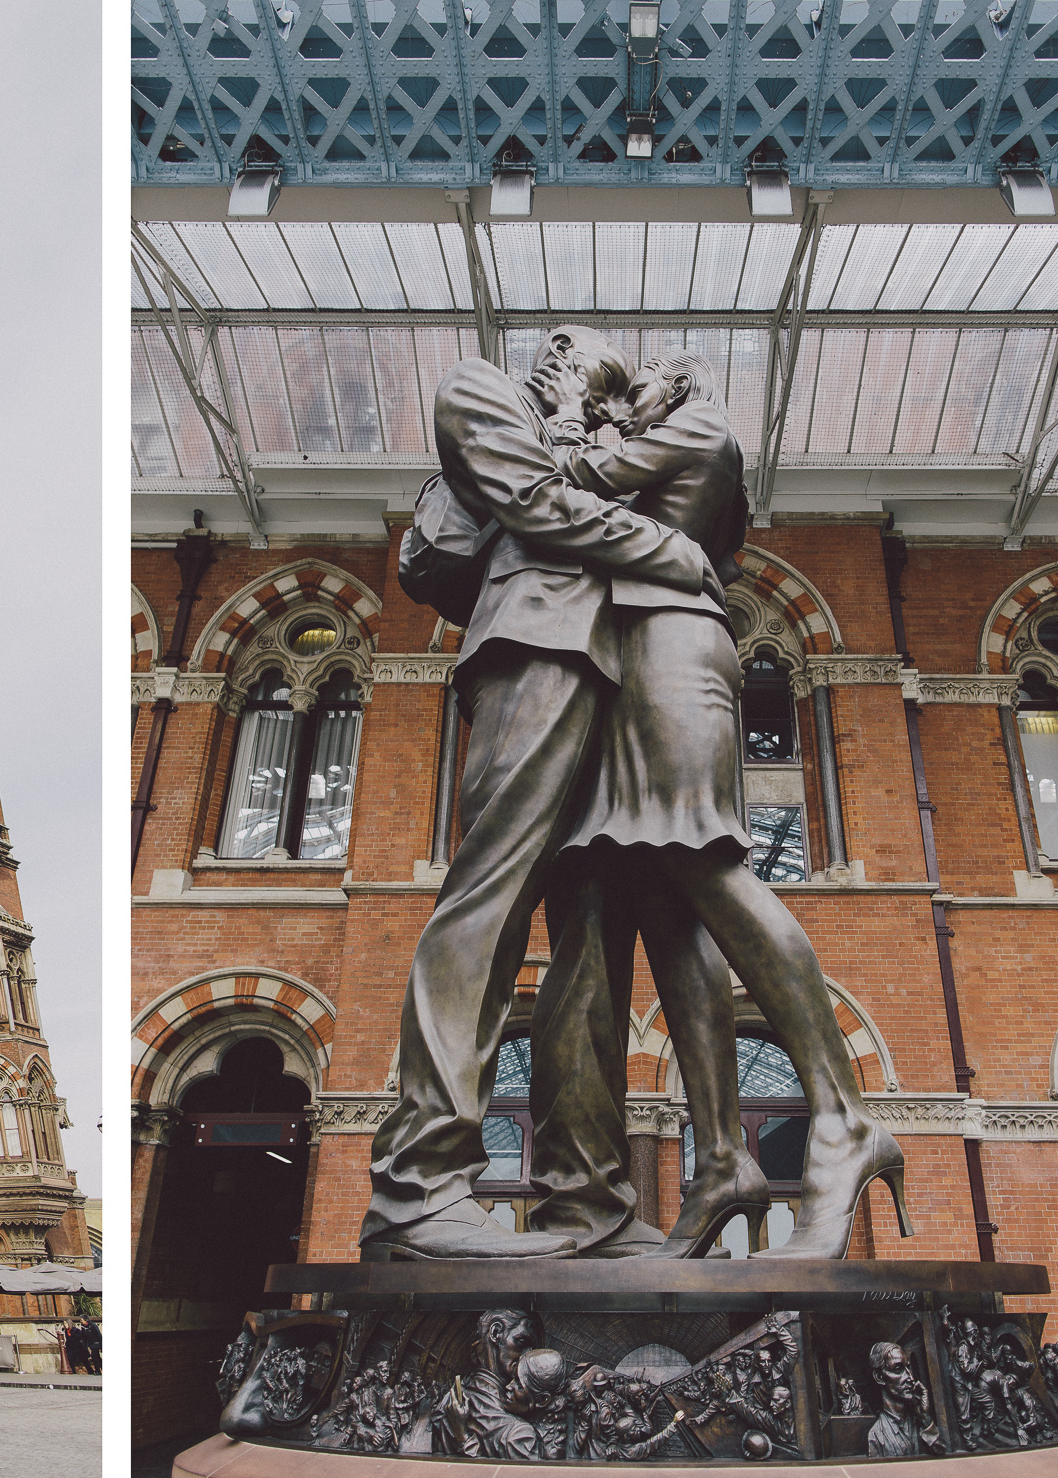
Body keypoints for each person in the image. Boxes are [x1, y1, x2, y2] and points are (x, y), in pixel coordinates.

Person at [541, 353, 910, 1259]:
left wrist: (569, 414)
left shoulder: (698, 430)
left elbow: (570, 486)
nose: (623, 405)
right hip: (630, 658)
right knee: (666, 899)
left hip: (671, 650)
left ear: (677, 388)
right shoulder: (668, 443)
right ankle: (718, 1158)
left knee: (704, 859)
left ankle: (842, 1116)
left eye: (639, 389)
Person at [365, 328, 718, 1260]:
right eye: (594, 382)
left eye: (613, 401)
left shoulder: (593, 446)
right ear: (555, 364)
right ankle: (417, 1187)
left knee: (596, 945)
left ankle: (586, 1202)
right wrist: (670, 552)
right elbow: (534, 506)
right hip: (536, 647)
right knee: (489, 896)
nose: (603, 406)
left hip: (615, 671)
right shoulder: (481, 391)